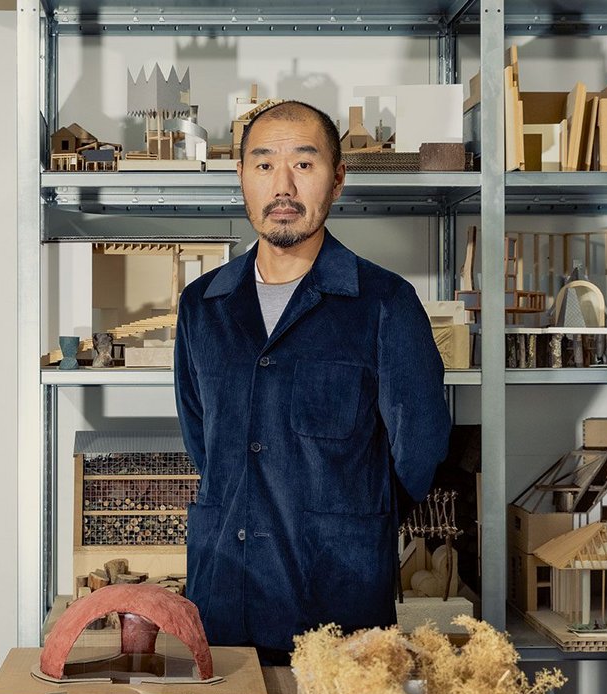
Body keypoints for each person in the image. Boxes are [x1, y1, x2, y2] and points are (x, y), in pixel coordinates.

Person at [174, 101, 451, 663]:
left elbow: (419, 449)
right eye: (263, 164)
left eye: (304, 164)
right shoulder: (202, 306)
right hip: (225, 590)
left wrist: (351, 518)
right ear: (241, 177)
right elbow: (203, 439)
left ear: (339, 178)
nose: (283, 186)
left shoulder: (384, 304)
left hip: (337, 604)